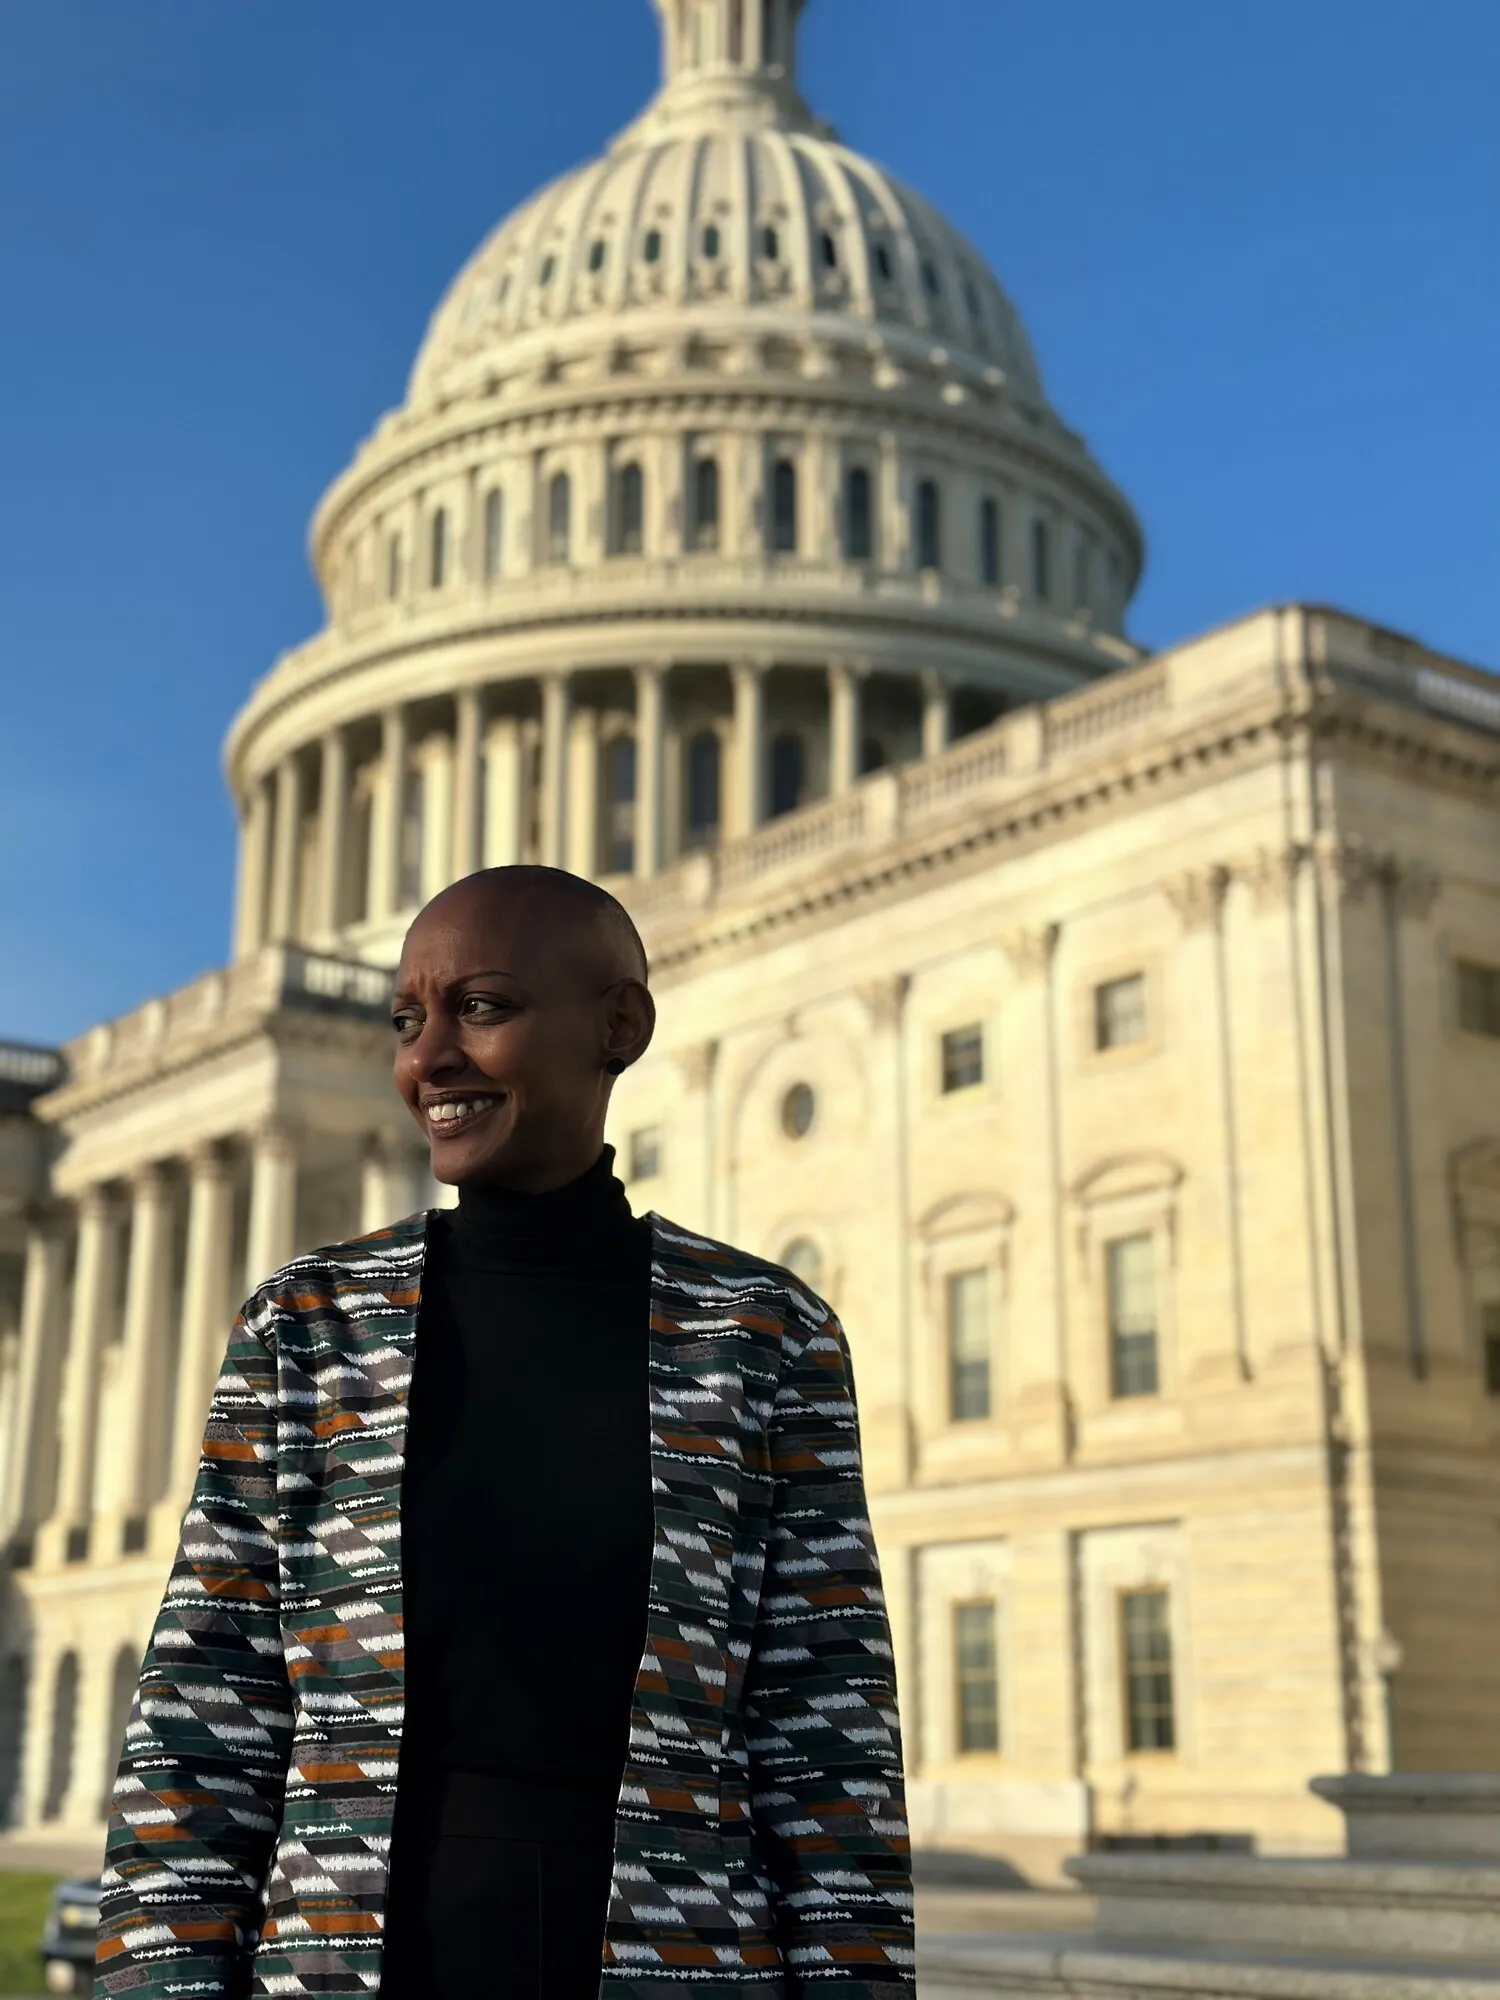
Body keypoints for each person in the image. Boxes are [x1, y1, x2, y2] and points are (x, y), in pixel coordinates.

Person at [98, 865, 914, 1999]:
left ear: (619, 1025)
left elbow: (829, 1747)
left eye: (480, 1007)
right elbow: (201, 1721)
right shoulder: (309, 1326)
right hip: (346, 1969)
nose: (428, 1057)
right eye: (407, 1021)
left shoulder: (762, 1332)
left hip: (675, 1967)